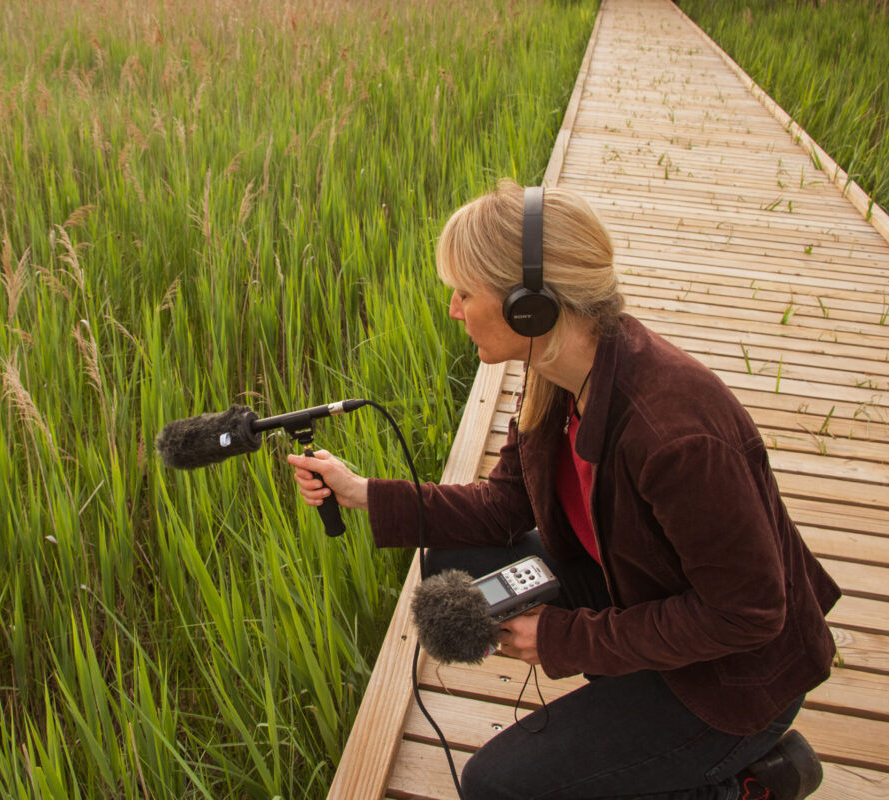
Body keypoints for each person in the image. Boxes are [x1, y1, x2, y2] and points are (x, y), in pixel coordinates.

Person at [286, 180, 839, 800]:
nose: (453, 309)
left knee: (496, 787)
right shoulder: (557, 373)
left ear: (531, 306)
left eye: (466, 292)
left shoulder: (675, 436)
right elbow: (502, 507)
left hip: (731, 681)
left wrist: (563, 638)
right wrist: (363, 492)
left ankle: (746, 781)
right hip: (643, 596)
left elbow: (748, 615)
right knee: (453, 562)